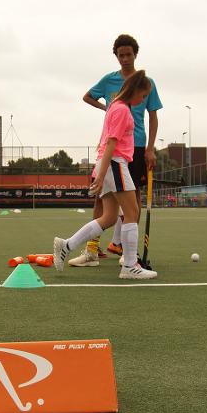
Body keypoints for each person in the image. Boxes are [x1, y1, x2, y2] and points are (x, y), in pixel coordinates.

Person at [69, 34, 162, 268]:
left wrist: (150, 148)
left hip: (136, 146)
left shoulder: (145, 82)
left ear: (135, 54)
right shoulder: (110, 81)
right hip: (112, 147)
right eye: (121, 55)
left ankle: (126, 253)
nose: (125, 59)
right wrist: (106, 108)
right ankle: (92, 251)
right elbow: (87, 96)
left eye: (129, 54)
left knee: (133, 200)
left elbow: (153, 116)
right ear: (116, 56)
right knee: (102, 201)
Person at [53, 71, 157, 280]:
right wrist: (101, 175)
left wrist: (101, 172)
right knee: (131, 212)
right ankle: (129, 266)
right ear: (135, 90)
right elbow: (111, 142)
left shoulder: (115, 107)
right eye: (143, 95)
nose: (143, 101)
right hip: (115, 163)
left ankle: (67, 245)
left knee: (109, 217)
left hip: (109, 164)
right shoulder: (122, 110)